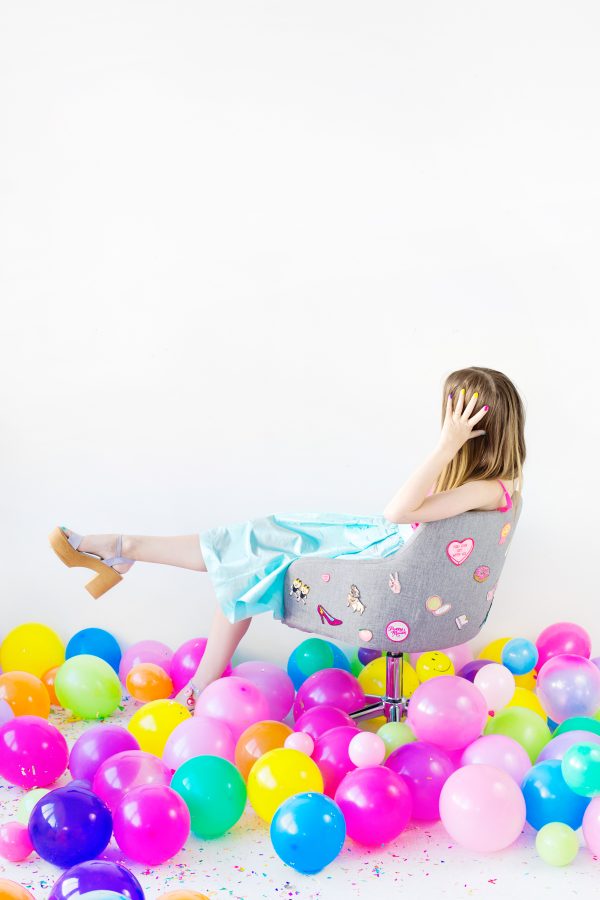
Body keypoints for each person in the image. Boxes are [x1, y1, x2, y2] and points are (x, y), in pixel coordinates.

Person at [49, 365, 526, 709]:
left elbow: (397, 511)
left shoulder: (487, 489)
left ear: (474, 428)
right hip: (382, 546)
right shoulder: (494, 489)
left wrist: (445, 447)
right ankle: (123, 550)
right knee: (258, 538)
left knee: (253, 553)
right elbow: (404, 518)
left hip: (384, 563)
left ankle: (126, 558)